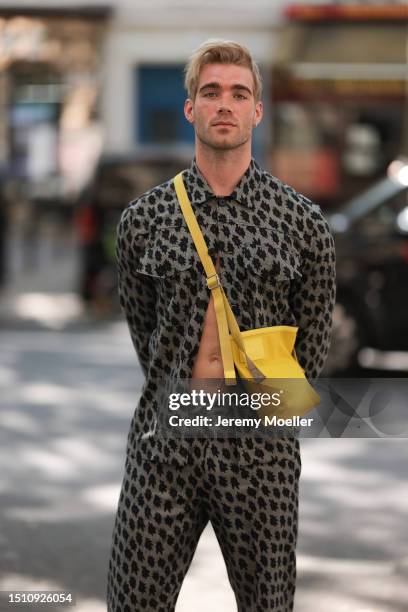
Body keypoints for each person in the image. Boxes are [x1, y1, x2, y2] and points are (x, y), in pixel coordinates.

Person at [107, 39, 336, 612]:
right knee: (134, 601)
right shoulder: (145, 219)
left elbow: (312, 345)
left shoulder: (302, 223)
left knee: (267, 604)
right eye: (211, 93)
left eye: (240, 93)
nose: (225, 104)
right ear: (191, 108)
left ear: (258, 110)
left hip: (261, 450)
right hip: (166, 442)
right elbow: (146, 333)